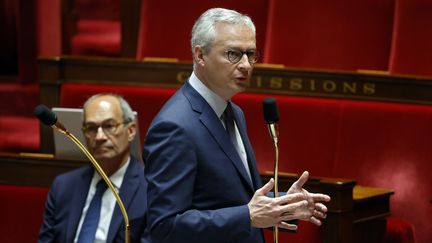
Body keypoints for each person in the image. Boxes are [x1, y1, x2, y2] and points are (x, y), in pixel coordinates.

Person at [143, 7, 331, 243]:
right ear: (200, 55)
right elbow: (165, 227)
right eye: (233, 54)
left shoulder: (233, 112)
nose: (246, 65)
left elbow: (231, 199)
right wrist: (247, 216)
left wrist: (283, 204)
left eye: (250, 54)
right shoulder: (175, 127)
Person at [38, 94, 149, 243]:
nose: (100, 137)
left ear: (131, 131)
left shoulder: (150, 188)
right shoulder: (63, 186)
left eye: (109, 126)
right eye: (91, 128)